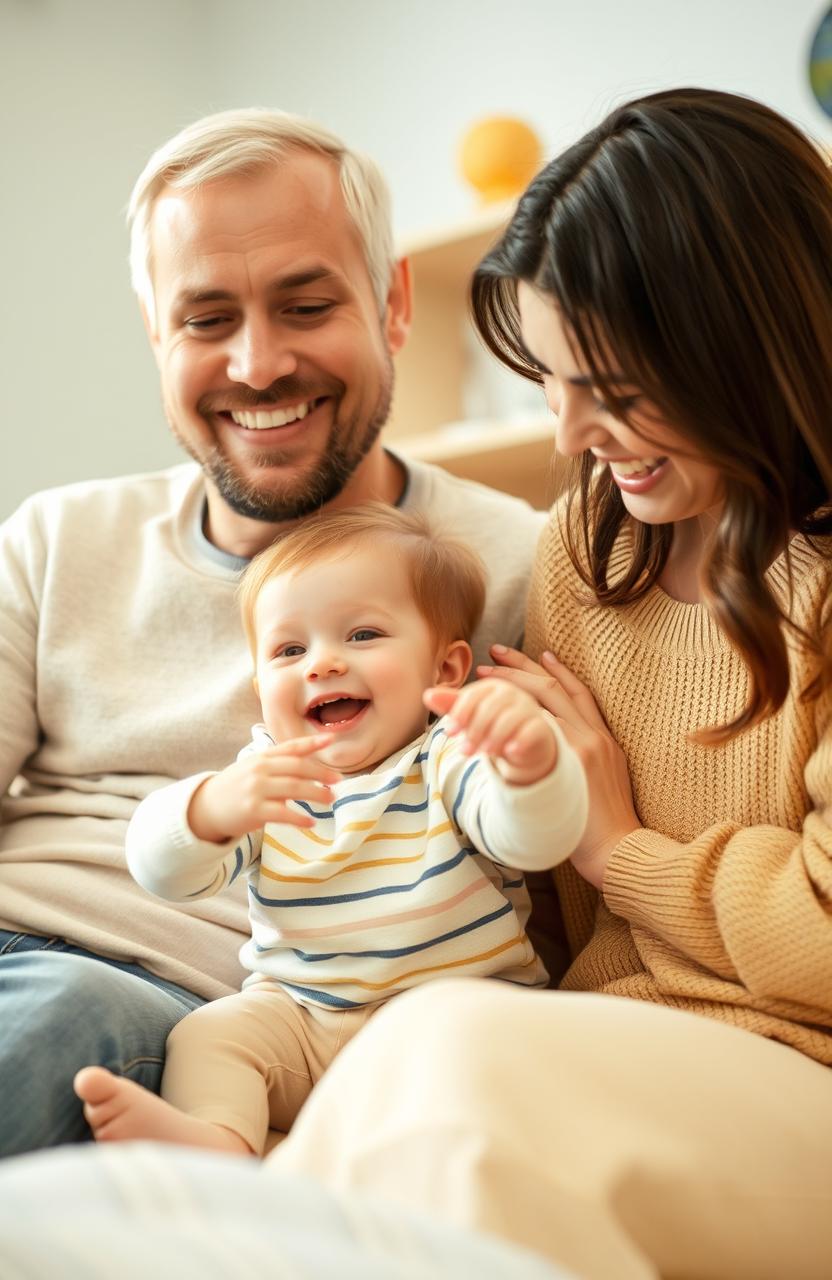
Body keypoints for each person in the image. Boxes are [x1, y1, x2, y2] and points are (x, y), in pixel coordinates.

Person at [256, 89, 832, 1279]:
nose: (569, 433)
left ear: (737, 339)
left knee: (463, 1069)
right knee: (404, 1077)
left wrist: (620, 848)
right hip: (605, 1037)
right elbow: (542, 909)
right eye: (548, 383)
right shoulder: (590, 544)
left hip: (803, 1078)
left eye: (610, 386)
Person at [0, 108, 546, 1157]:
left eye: (304, 303)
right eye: (206, 319)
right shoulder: (56, 539)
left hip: (155, 1000)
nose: (257, 364)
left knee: (46, 1023)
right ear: (156, 329)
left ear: (392, 303)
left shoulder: (515, 563)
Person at [73, 504, 587, 1155]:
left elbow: (534, 841)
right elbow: (166, 875)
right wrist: (204, 813)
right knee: (210, 1035)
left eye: (363, 635)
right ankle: (221, 1141)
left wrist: (531, 768)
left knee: (511, 1061)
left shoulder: (446, 759)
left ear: (446, 669)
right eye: (290, 650)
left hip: (451, 1021)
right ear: (259, 684)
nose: (321, 664)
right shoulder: (266, 778)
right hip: (307, 1029)